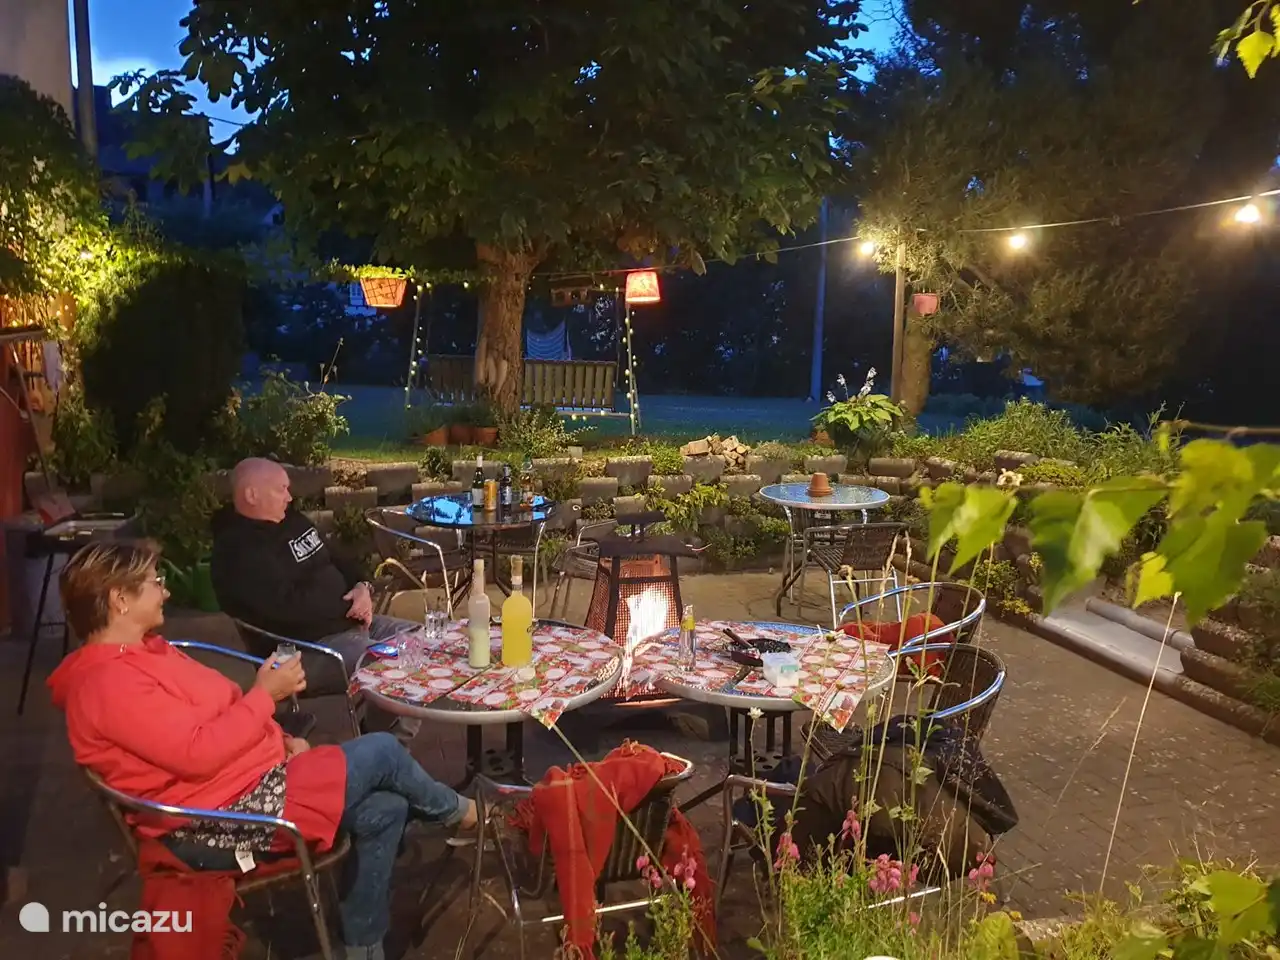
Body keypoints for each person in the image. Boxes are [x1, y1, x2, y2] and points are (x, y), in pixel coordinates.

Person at [49, 539, 476, 960]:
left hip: (248, 783)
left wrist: (279, 738)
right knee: (382, 752)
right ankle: (466, 814)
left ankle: (364, 950)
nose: (167, 590)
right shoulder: (109, 685)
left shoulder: (149, 652)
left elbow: (217, 716)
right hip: (214, 821)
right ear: (119, 599)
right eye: (154, 581)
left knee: (386, 808)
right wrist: (266, 696)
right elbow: (197, 752)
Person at [210, 457, 421, 737]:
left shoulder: (292, 520)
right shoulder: (238, 551)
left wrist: (362, 587)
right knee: (392, 664)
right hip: (307, 650)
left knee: (423, 642)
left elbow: (339, 557)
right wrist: (346, 604)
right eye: (281, 489)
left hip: (350, 623)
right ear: (252, 495)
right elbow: (285, 608)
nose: (289, 496)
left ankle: (379, 733)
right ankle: (387, 748)